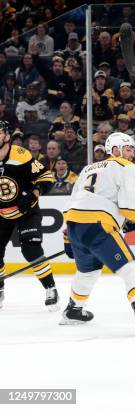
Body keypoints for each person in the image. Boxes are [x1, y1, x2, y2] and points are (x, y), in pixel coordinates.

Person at [61, 132, 135, 335]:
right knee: (131, 269)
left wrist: (70, 235)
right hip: (98, 226)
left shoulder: (88, 168)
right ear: (115, 151)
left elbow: (73, 202)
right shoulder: (125, 166)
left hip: (75, 226)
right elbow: (131, 208)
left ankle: (73, 310)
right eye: (128, 149)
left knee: (88, 271)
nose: (131, 154)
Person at [0, 121, 58, 310]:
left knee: (31, 249)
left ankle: (50, 288)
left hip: (27, 210)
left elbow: (46, 177)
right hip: (2, 213)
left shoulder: (20, 155)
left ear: (6, 135)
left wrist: (34, 193)